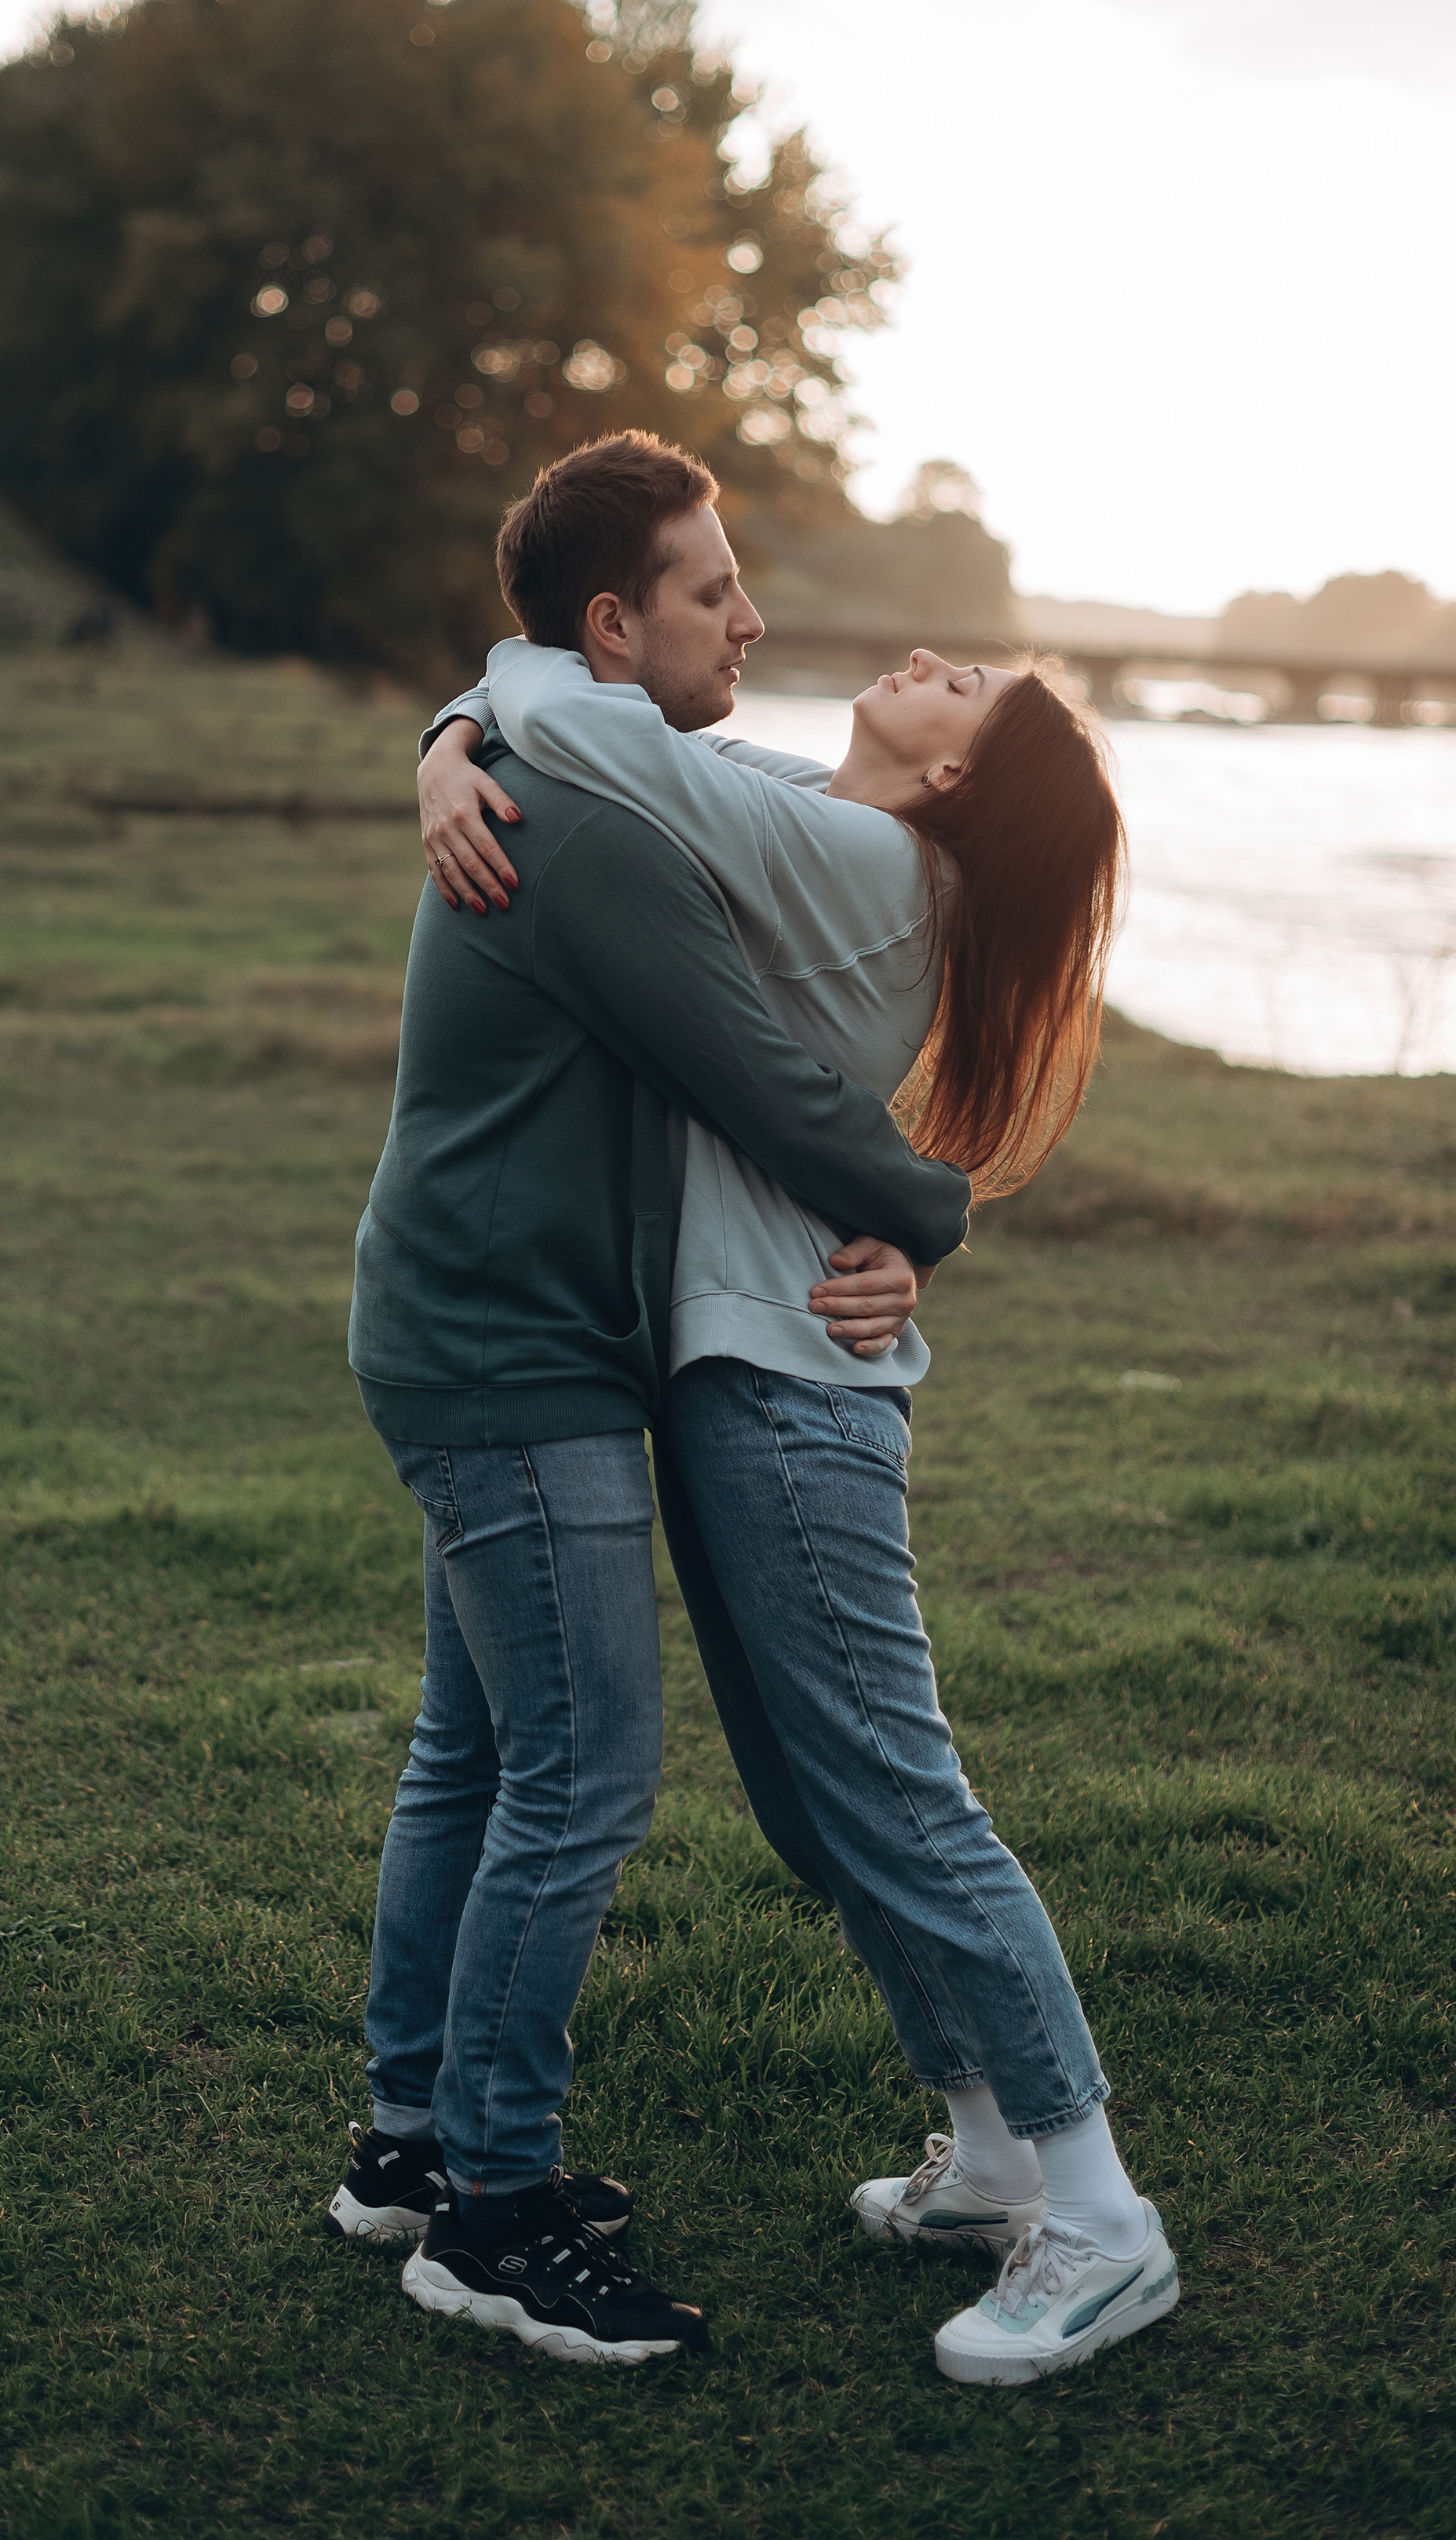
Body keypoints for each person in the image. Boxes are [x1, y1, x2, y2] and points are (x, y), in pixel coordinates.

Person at [416, 453, 1182, 2389]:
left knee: (899, 1799)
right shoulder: (831, 823)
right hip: (745, 1372)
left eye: (962, 696)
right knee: (817, 1797)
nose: (923, 660)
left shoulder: (847, 861)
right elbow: (606, 732)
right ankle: (989, 2138)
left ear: (947, 786)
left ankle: (1094, 2216)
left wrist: (464, 714)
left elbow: (596, 740)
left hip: (785, 1391)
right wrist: (451, 728)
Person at [329, 432, 972, 2369]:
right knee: (582, 1767)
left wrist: (444, 725)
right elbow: (764, 1084)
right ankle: (494, 2220)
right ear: (615, 625)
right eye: (711, 589)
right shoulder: (594, 825)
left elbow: (523, 692)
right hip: (512, 1355)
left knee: (477, 1745)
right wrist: (934, 1216)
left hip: (486, 1328)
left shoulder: (582, 753)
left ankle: (405, 2149)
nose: (750, 616)